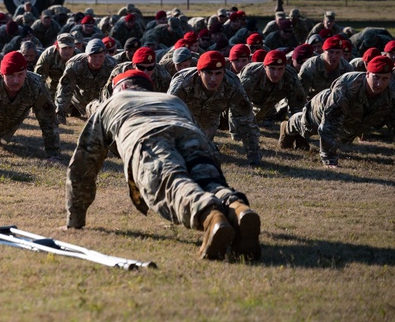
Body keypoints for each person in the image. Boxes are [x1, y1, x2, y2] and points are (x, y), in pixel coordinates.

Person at [65, 70, 261, 261]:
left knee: (172, 184)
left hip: (148, 137)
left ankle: (210, 216)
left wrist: (76, 217)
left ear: (121, 87)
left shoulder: (111, 103)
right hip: (191, 134)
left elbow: (84, 164)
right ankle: (238, 208)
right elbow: (200, 134)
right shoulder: (172, 100)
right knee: (209, 181)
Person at [279, 56, 394, 167]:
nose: (379, 84)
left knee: (343, 138)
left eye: (385, 79)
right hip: (323, 105)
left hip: (354, 117)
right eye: (376, 77)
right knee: (307, 126)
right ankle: (287, 127)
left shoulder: (392, 91)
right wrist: (329, 159)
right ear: (367, 74)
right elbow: (330, 124)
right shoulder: (347, 86)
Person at [167, 51, 262, 165]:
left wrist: (254, 154)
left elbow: (245, 119)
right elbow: (168, 115)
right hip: (184, 119)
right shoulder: (183, 82)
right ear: (199, 72)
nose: (213, 79)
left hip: (210, 119)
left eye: (218, 73)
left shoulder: (232, 85)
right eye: (209, 73)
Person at [55, 38, 116, 123]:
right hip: (77, 100)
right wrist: (60, 114)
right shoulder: (75, 64)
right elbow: (64, 90)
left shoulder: (112, 65)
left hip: (99, 102)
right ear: (87, 55)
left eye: (101, 56)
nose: (97, 60)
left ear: (105, 55)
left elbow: (115, 92)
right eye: (94, 57)